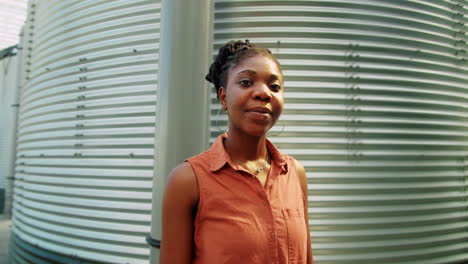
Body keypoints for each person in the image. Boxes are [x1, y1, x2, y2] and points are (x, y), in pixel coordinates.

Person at [160, 40, 313, 264]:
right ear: (223, 97)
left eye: (274, 86)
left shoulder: (294, 174)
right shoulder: (188, 181)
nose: (264, 93)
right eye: (246, 82)